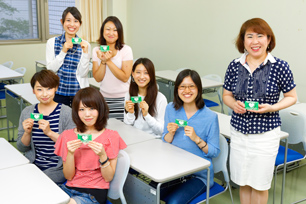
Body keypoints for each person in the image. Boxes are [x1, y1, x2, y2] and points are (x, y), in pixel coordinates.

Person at [222, 18, 297, 204]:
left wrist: (273, 107)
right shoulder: (234, 65)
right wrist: (233, 105)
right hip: (239, 134)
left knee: (260, 184)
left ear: (269, 39)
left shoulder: (280, 66)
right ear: (243, 41)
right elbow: (226, 95)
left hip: (265, 136)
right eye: (249, 36)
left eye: (260, 36)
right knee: (243, 182)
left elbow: (292, 97)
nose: (255, 41)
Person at [54, 87, 127, 204]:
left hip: (93, 193)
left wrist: (103, 156)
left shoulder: (111, 136)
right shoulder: (67, 136)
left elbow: (108, 178)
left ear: (100, 109)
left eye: (92, 108)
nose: (87, 114)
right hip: (68, 189)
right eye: (82, 109)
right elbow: (68, 176)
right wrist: (70, 154)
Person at [161, 69, 220, 204]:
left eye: (191, 86)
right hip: (175, 169)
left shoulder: (210, 117)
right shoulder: (171, 108)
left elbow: (215, 151)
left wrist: (197, 139)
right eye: (182, 86)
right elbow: (165, 139)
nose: (186, 91)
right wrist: (170, 133)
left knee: (174, 202)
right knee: (150, 190)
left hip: (199, 175)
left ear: (198, 89)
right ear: (177, 89)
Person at [17, 70, 75, 184]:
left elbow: (71, 146)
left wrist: (50, 133)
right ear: (33, 91)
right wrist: (27, 133)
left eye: (49, 88)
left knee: (35, 185)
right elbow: (21, 148)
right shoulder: (27, 112)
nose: (44, 94)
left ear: (56, 88)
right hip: (32, 165)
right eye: (39, 89)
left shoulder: (67, 113)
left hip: (57, 168)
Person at [46, 6, 91, 107]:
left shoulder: (85, 45)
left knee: (77, 122)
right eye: (68, 20)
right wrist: (63, 51)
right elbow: (50, 69)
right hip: (58, 93)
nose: (72, 24)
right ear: (62, 22)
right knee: (60, 121)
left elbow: (83, 73)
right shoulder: (52, 42)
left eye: (76, 21)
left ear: (80, 24)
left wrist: (85, 53)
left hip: (78, 93)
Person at [92, 16, 133, 121]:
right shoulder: (97, 50)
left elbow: (124, 77)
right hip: (104, 99)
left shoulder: (126, 50)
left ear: (119, 33)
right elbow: (97, 78)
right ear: (103, 31)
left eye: (115, 30)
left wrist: (108, 61)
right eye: (108, 29)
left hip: (124, 99)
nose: (111, 33)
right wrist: (103, 61)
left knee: (124, 131)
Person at [124, 58, 167, 138]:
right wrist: (130, 113)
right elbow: (127, 126)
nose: (141, 77)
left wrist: (146, 115)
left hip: (153, 141)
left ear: (151, 75)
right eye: (138, 72)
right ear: (133, 74)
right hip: (134, 139)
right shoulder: (128, 95)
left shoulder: (161, 99)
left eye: (146, 73)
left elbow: (162, 131)